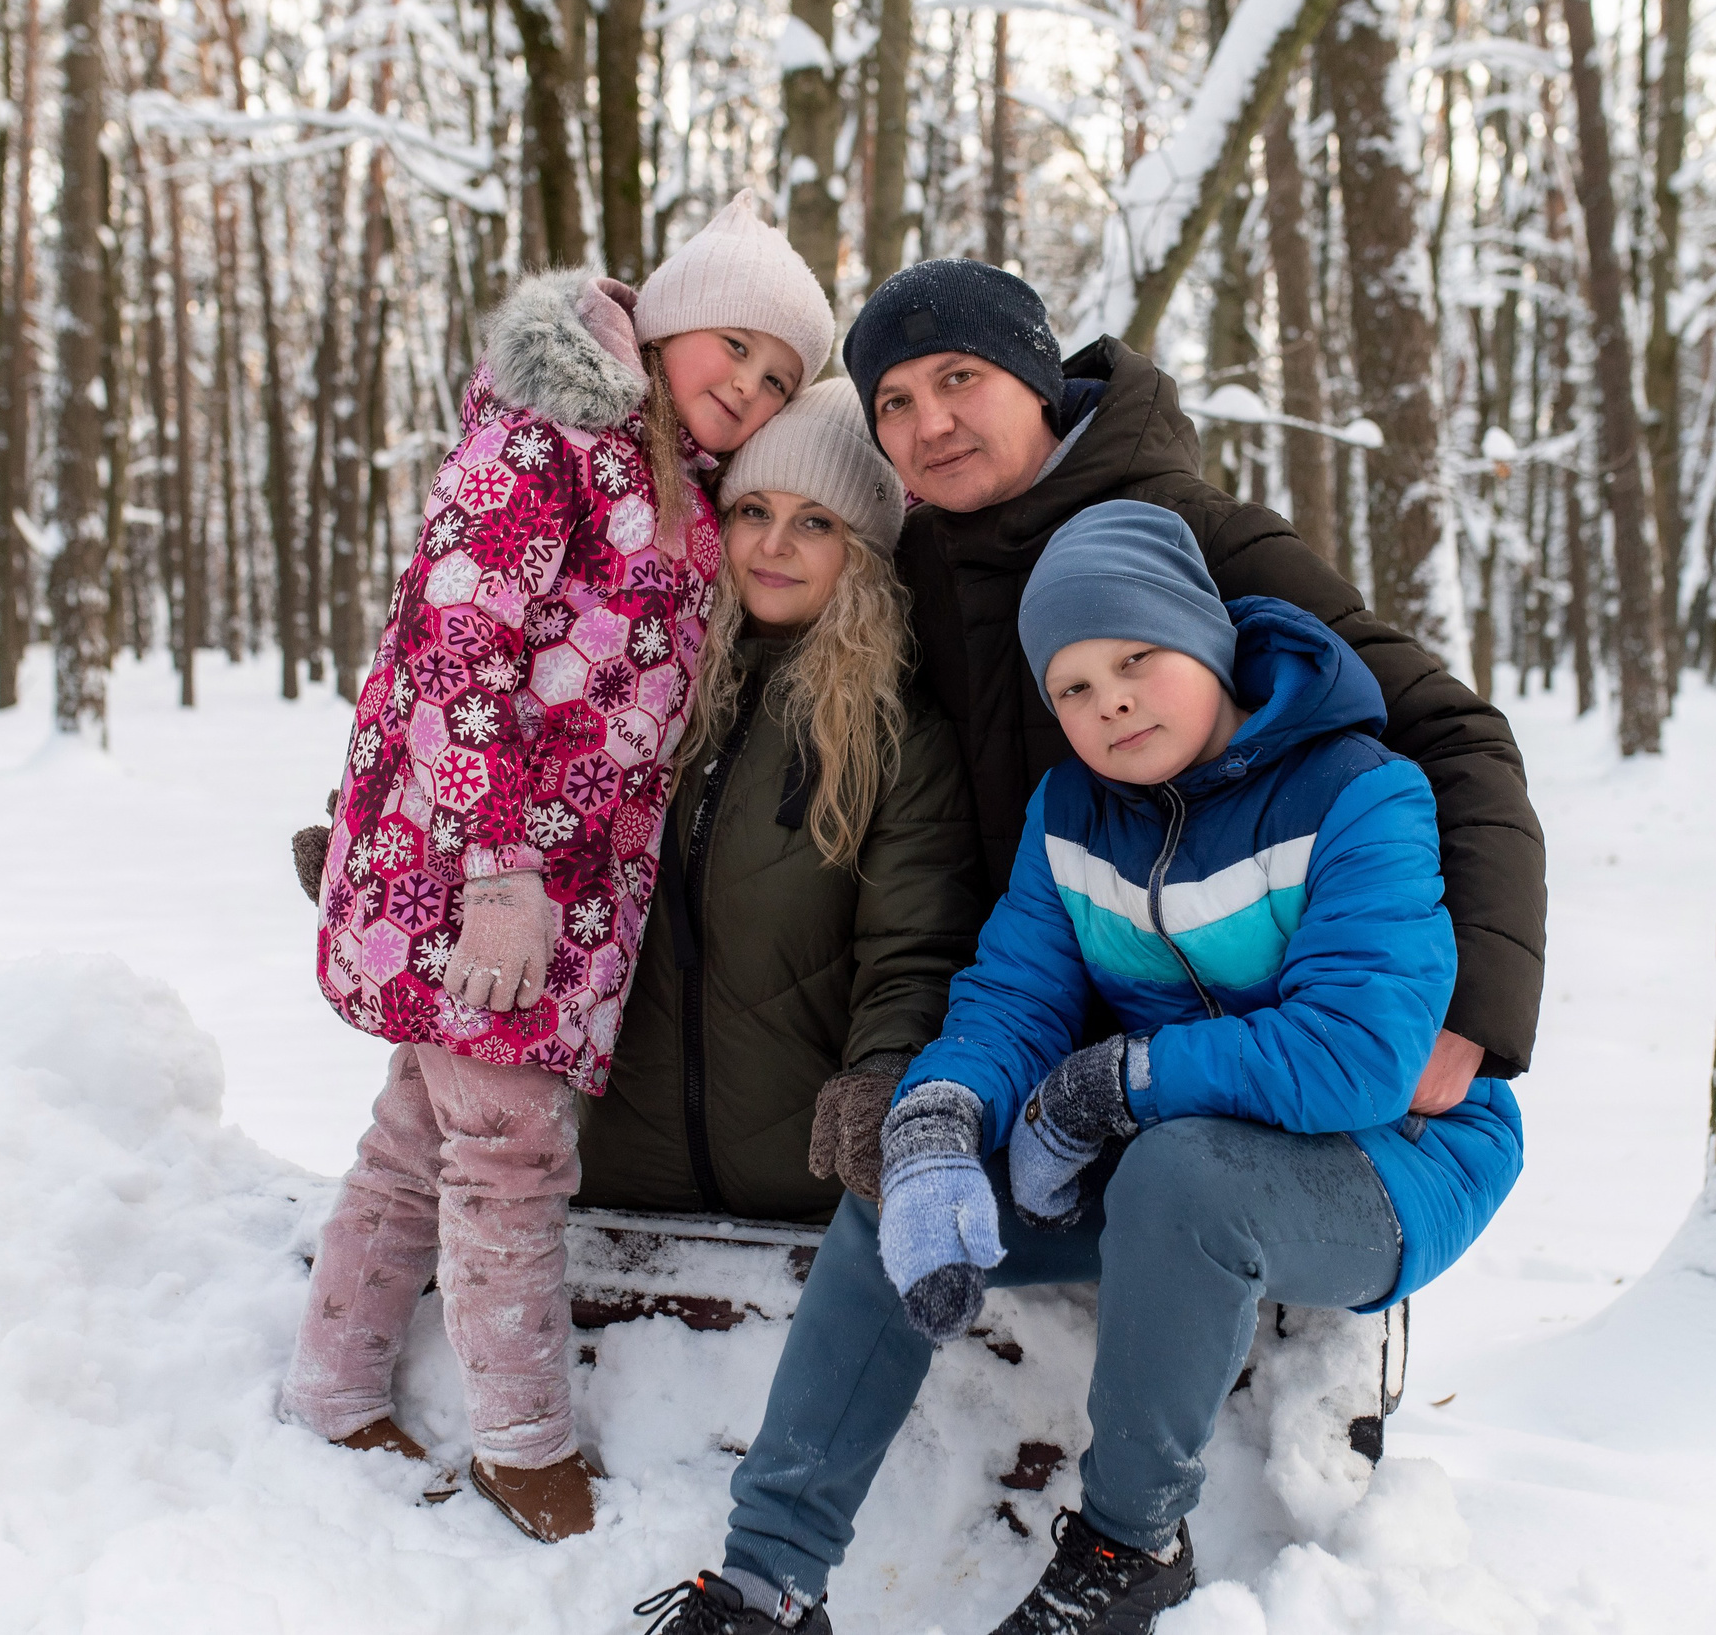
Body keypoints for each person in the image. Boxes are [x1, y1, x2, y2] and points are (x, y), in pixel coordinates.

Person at [633, 504, 1523, 1635]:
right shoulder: (1071, 814)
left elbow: (1360, 1057)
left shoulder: (1358, 790)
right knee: (899, 1197)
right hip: (1163, 1152)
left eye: (1136, 661)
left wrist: (1117, 1082)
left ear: (1206, 644)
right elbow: (1013, 996)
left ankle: (1129, 1547)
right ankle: (768, 1577)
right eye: (1073, 687)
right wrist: (938, 1115)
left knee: (1180, 1171)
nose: (1109, 703)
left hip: (1389, 1160)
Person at [280, 194, 835, 1545]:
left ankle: (336, 1382)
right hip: (473, 873)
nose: (749, 387)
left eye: (778, 375)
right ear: (664, 324)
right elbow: (454, 656)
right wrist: (502, 869)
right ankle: (523, 1440)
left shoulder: (675, 476)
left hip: (559, 890)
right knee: (512, 1149)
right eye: (733, 349)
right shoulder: (546, 442)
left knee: (423, 1133)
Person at [854, 259, 1545, 1113]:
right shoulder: (908, 578)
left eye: (960, 377)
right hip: (1021, 1051)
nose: (934, 422)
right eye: (895, 402)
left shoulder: (1196, 538)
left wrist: (1472, 1011)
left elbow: (1454, 733)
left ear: (1035, 380)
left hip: (1245, 1067)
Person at [577, 378, 985, 1221]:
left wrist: (882, 1078)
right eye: (752, 510)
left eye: (815, 522)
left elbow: (913, 951)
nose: (774, 543)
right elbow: (545, 821)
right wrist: (416, 858)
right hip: (607, 1178)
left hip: (803, 1199)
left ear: (863, 550)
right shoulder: (643, 681)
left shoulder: (898, 731)